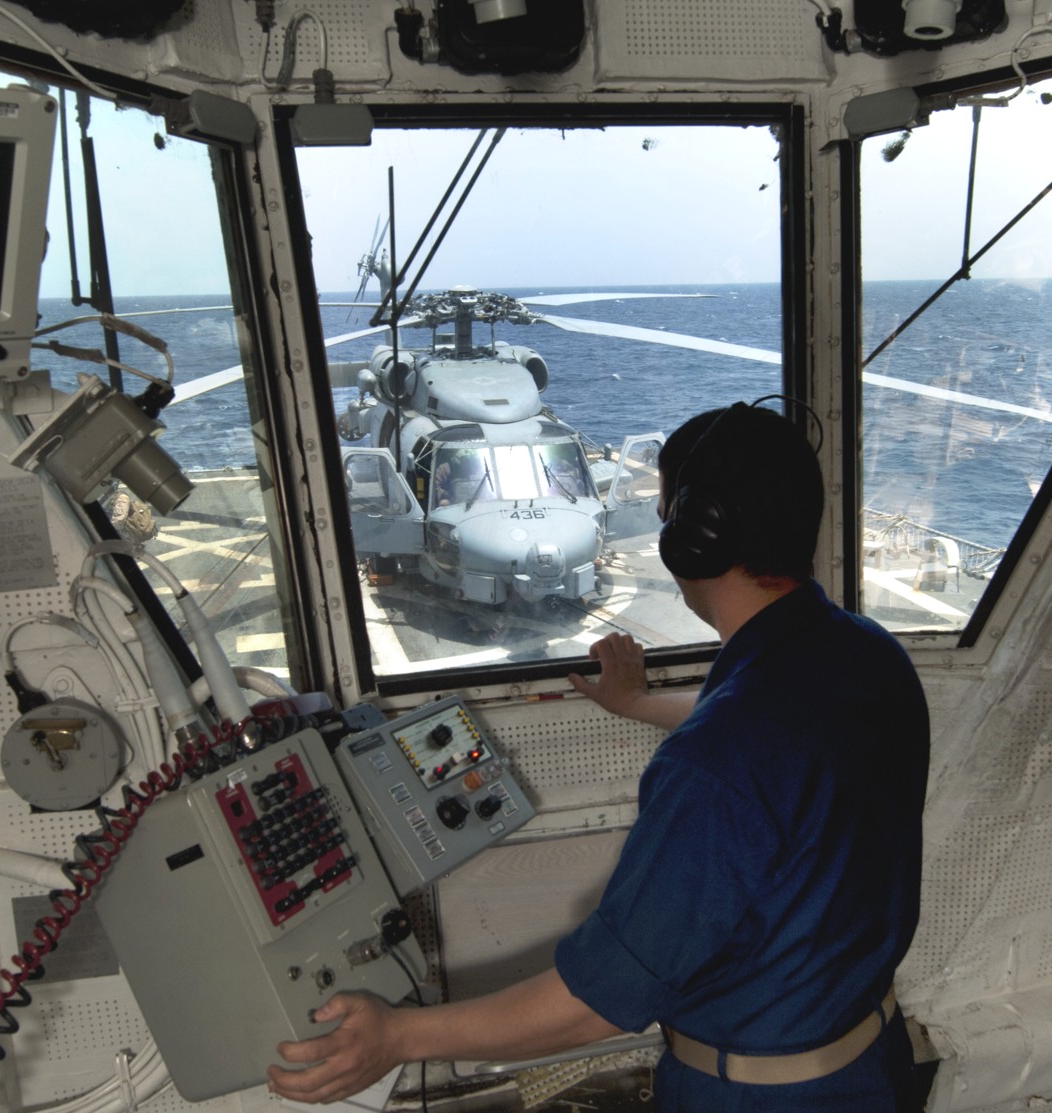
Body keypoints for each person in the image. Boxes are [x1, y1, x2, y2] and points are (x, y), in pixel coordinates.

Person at [266, 403, 931, 1112]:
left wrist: (397, 1036)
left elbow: (597, 1003)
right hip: (872, 1066)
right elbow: (790, 741)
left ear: (694, 537)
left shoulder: (714, 765)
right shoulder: (870, 656)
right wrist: (642, 704)